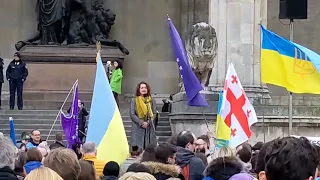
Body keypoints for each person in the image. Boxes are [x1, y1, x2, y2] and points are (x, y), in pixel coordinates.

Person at [130, 81, 157, 149]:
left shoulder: (152, 100)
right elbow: (132, 114)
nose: (143, 89)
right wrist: (141, 123)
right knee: (137, 149)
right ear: (139, 90)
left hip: (149, 127)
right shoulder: (134, 100)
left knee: (148, 148)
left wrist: (148, 122)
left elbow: (154, 113)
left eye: (145, 87)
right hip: (138, 126)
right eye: (142, 88)